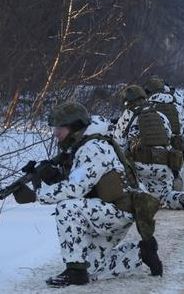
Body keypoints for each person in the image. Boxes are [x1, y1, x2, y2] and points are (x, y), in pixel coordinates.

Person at [12, 102, 162, 287]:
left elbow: (76, 190)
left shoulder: (93, 148)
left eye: (60, 129)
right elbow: (83, 183)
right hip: (113, 210)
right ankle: (140, 254)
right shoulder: (86, 144)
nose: (55, 134)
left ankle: (75, 272)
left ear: (74, 127)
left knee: (67, 208)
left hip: (116, 211)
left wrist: (36, 195)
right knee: (91, 267)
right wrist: (51, 176)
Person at [113, 85, 184, 210]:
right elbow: (169, 138)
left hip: (139, 169)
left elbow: (118, 144)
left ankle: (142, 199)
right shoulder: (160, 115)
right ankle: (180, 198)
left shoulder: (127, 116)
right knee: (165, 195)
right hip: (164, 167)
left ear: (127, 101)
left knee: (135, 192)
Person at [144, 76, 184, 191]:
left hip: (157, 144)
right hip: (176, 143)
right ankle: (176, 174)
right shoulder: (175, 102)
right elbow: (181, 125)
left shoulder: (148, 104)